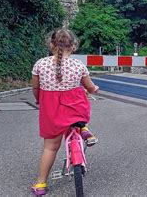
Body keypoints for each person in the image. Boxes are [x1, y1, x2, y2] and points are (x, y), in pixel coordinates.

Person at [30, 27, 99, 196]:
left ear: (51, 43)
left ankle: (40, 184)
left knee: (51, 147)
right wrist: (95, 89)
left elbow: (35, 88)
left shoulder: (40, 64)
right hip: (74, 108)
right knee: (83, 101)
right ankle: (83, 128)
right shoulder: (78, 65)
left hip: (51, 110)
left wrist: (39, 100)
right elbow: (89, 87)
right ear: (73, 46)